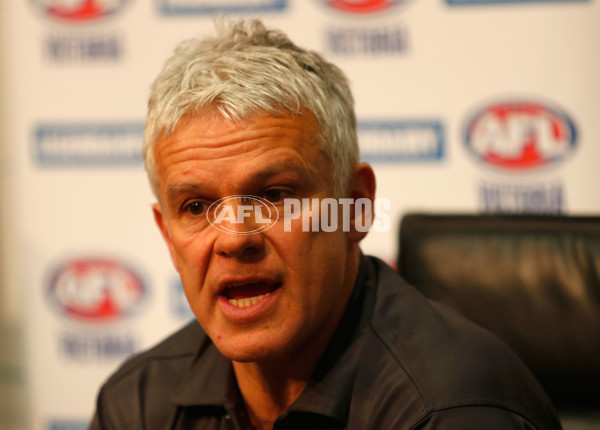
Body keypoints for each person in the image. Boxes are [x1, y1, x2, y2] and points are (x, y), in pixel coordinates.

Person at [91, 18, 562, 430]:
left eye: (274, 196)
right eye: (195, 207)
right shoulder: (135, 403)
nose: (235, 239)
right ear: (168, 238)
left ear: (356, 206)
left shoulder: (454, 414)